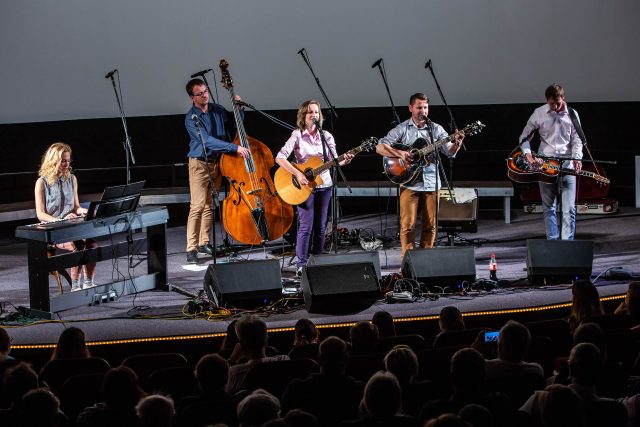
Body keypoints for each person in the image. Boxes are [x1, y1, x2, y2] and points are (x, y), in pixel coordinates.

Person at [376, 93, 464, 255]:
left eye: (425, 107)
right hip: (409, 182)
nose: (422, 111)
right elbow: (380, 147)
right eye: (419, 107)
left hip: (431, 183)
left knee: (430, 226)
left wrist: (457, 144)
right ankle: (407, 262)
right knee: (407, 225)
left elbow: (450, 152)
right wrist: (400, 153)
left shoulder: (436, 129)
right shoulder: (402, 128)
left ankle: (426, 261)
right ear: (411, 108)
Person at [275, 100, 353, 275]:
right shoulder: (297, 135)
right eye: (310, 112)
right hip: (304, 187)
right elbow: (280, 158)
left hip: (324, 185)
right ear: (303, 116)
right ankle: (301, 265)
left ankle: (317, 260)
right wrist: (297, 173)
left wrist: (344, 160)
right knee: (306, 226)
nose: (314, 115)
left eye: (316, 112)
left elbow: (335, 160)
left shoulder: (327, 136)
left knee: (320, 227)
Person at [184, 78, 250, 264]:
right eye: (200, 93)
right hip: (199, 164)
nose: (205, 95)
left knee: (210, 205)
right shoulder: (191, 117)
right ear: (192, 98)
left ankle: (204, 242)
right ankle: (191, 247)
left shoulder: (217, 110)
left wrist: (239, 110)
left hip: (218, 163)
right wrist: (234, 148)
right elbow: (206, 140)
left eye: (206, 91)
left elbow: (236, 125)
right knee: (197, 205)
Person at [519, 83, 584, 240]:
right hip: (546, 165)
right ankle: (552, 242)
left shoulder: (572, 114)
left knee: (569, 209)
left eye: (558, 103)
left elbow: (577, 140)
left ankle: (568, 243)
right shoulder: (539, 113)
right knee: (549, 207)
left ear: (563, 98)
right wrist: (528, 155)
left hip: (567, 163)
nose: (555, 106)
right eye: (551, 103)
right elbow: (524, 137)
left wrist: (577, 158)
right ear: (547, 100)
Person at [35, 142, 97, 291]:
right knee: (79, 245)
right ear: (53, 160)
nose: (66, 164)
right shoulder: (41, 183)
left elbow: (76, 207)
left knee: (92, 245)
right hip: (54, 228)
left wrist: (86, 212)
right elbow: (40, 214)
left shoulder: (72, 179)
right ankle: (75, 286)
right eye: (62, 160)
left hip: (72, 224)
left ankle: (88, 282)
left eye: (68, 160)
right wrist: (61, 220)